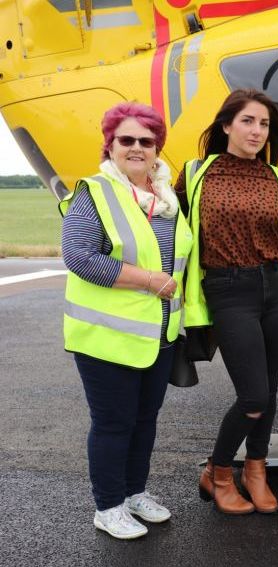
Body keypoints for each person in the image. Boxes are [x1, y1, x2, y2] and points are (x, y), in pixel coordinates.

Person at [61, 102, 192, 539]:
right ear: (111, 145)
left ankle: (134, 492)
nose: (137, 148)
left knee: (144, 420)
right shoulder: (94, 192)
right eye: (127, 140)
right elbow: (79, 256)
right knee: (114, 423)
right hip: (106, 336)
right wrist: (150, 280)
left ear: (157, 149)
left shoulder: (166, 200)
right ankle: (108, 505)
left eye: (146, 141)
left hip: (157, 335)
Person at [179, 89, 278, 515]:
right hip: (228, 289)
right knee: (252, 395)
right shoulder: (197, 173)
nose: (257, 131)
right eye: (249, 121)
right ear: (226, 124)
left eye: (265, 124)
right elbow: (172, 229)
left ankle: (256, 469)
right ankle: (217, 472)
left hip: (276, 287)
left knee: (268, 390)